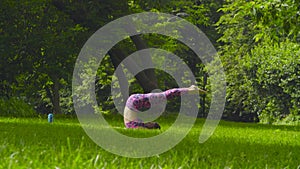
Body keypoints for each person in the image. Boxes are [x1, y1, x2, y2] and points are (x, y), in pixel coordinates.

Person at [124, 85, 206, 129]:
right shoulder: (138, 126)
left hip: (135, 102)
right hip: (134, 102)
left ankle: (191, 89)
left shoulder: (137, 126)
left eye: (152, 123)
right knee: (166, 95)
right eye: (152, 123)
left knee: (166, 95)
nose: (150, 122)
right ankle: (191, 89)